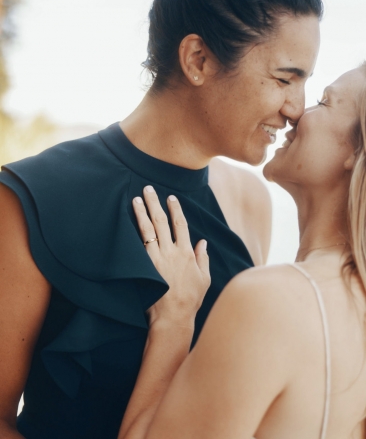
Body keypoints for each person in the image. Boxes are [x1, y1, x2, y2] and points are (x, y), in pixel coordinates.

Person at [0, 0, 322, 438]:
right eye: (284, 79)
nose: (296, 109)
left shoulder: (248, 200)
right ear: (198, 59)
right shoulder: (32, 198)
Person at [119, 63, 366, 439]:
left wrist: (175, 321)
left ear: (356, 150)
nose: (297, 112)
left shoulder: (273, 299)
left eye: (323, 102)